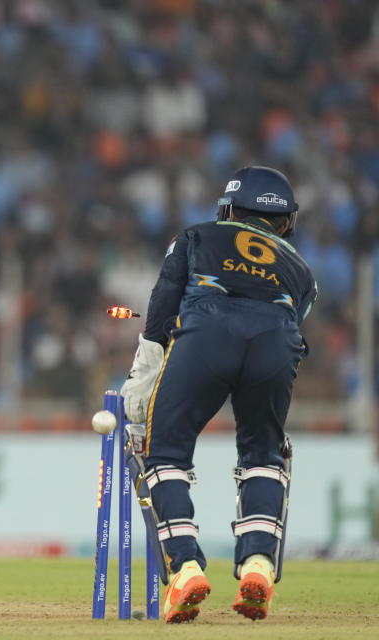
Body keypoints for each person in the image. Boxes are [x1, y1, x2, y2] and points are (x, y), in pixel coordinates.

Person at [120, 166, 317, 623]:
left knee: (164, 450)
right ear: (285, 222)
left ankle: (186, 568)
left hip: (207, 329)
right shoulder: (301, 268)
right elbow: (294, 320)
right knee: (263, 452)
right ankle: (258, 566)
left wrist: (143, 381)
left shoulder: (196, 236)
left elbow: (162, 312)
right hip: (277, 338)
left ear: (227, 209)